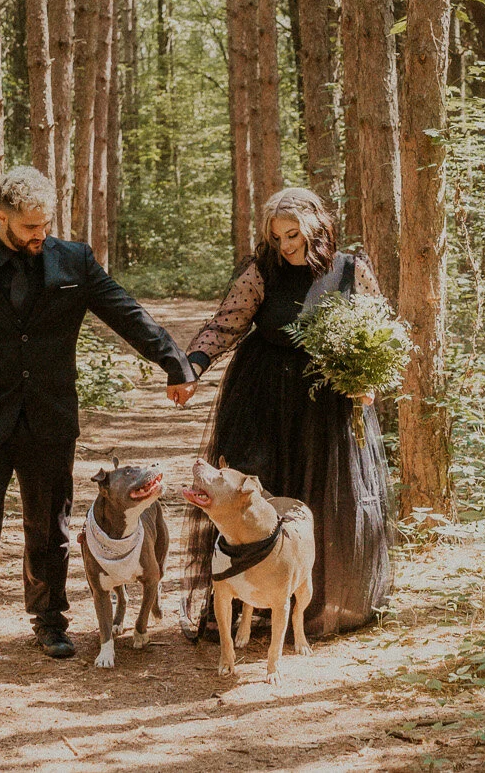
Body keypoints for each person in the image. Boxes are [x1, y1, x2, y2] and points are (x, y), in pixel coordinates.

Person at [0, 166, 197, 673]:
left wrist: (173, 361)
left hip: (49, 417)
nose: (39, 235)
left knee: (50, 526)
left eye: (45, 225)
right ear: (0, 215)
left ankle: (49, 622)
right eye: (28, 227)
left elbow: (124, 311)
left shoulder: (74, 261)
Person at [179, 187, 394, 638]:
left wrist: (368, 379)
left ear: (315, 227)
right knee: (257, 487)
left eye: (293, 234)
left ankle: (315, 604)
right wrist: (192, 366)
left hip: (326, 400)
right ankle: (249, 602)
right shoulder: (262, 271)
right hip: (264, 393)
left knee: (324, 495)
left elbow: (379, 329)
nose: (286, 245)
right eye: (278, 237)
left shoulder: (350, 269)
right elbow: (227, 323)